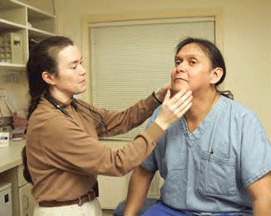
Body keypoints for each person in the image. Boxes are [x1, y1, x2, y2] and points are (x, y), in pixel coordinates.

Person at [23, 36, 193, 216]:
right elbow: (117, 163)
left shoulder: (75, 106)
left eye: (81, 63)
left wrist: (156, 97)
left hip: (86, 204)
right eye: (73, 66)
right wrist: (163, 122)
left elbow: (121, 120)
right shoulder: (50, 122)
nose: (83, 71)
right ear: (49, 77)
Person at [123, 37, 271, 216]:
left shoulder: (243, 121)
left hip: (229, 212)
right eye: (178, 62)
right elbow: (142, 171)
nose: (180, 68)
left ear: (215, 75)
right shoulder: (161, 115)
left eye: (192, 62)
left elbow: (263, 197)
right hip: (171, 210)